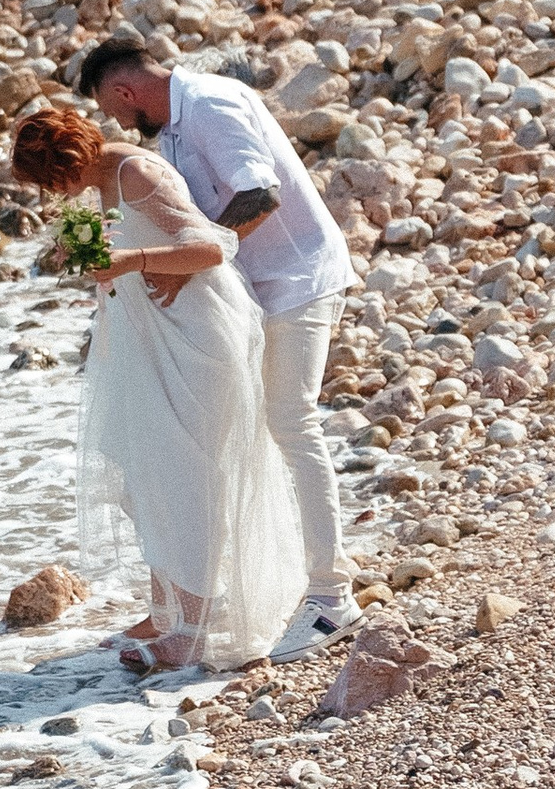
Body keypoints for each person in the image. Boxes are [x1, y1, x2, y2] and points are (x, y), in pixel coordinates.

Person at [74, 35, 359, 661]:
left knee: (291, 423)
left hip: (298, 279)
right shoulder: (172, 130)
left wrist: (190, 262)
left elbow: (259, 194)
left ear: (124, 91)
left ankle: (332, 596)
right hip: (252, 291)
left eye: (112, 110)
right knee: (221, 437)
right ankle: (202, 600)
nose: (118, 124)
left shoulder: (208, 104)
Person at [9, 95, 302, 674]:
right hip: (153, 335)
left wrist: (133, 260)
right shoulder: (104, 180)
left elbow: (213, 247)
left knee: (183, 473)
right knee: (147, 474)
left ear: (68, 161)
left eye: (49, 180)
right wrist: (87, 251)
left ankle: (192, 631)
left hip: (194, 334)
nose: (51, 193)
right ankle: (169, 611)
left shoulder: (136, 172)